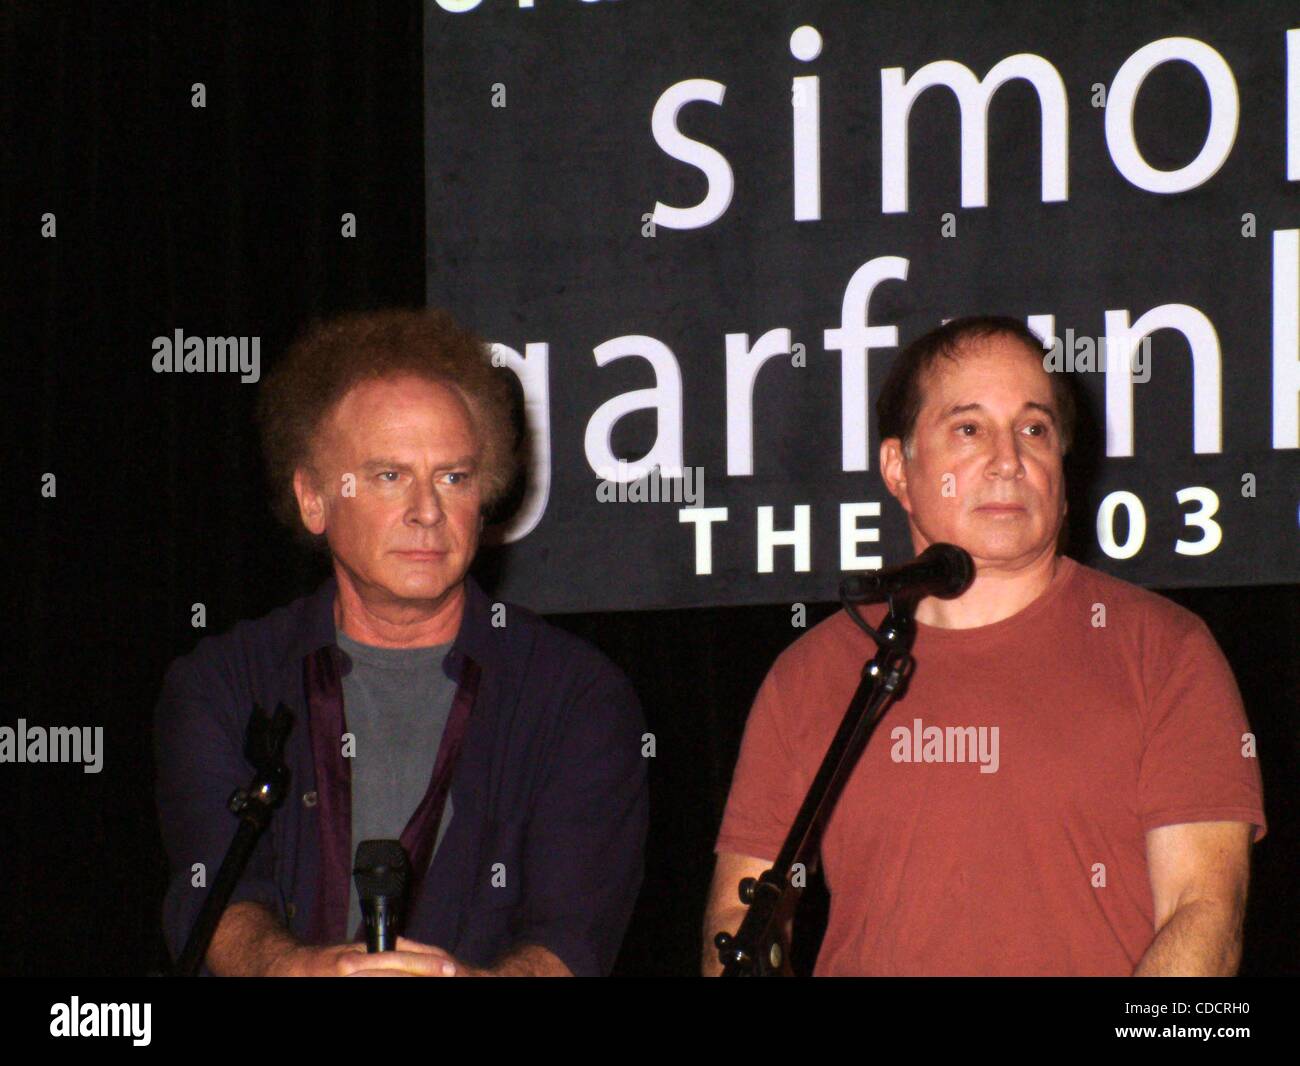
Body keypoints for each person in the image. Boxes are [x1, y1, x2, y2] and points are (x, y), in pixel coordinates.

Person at [704, 316, 1266, 976]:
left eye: (1034, 430)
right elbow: (738, 916)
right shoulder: (813, 673)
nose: (1009, 460)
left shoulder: (1165, 651)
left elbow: (1204, 914)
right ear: (898, 467)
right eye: (969, 429)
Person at [155, 308, 647, 976]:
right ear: (313, 499)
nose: (428, 511)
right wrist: (300, 971)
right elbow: (215, 896)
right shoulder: (225, 685)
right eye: (390, 476)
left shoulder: (576, 696)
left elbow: (573, 936)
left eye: (454, 477)